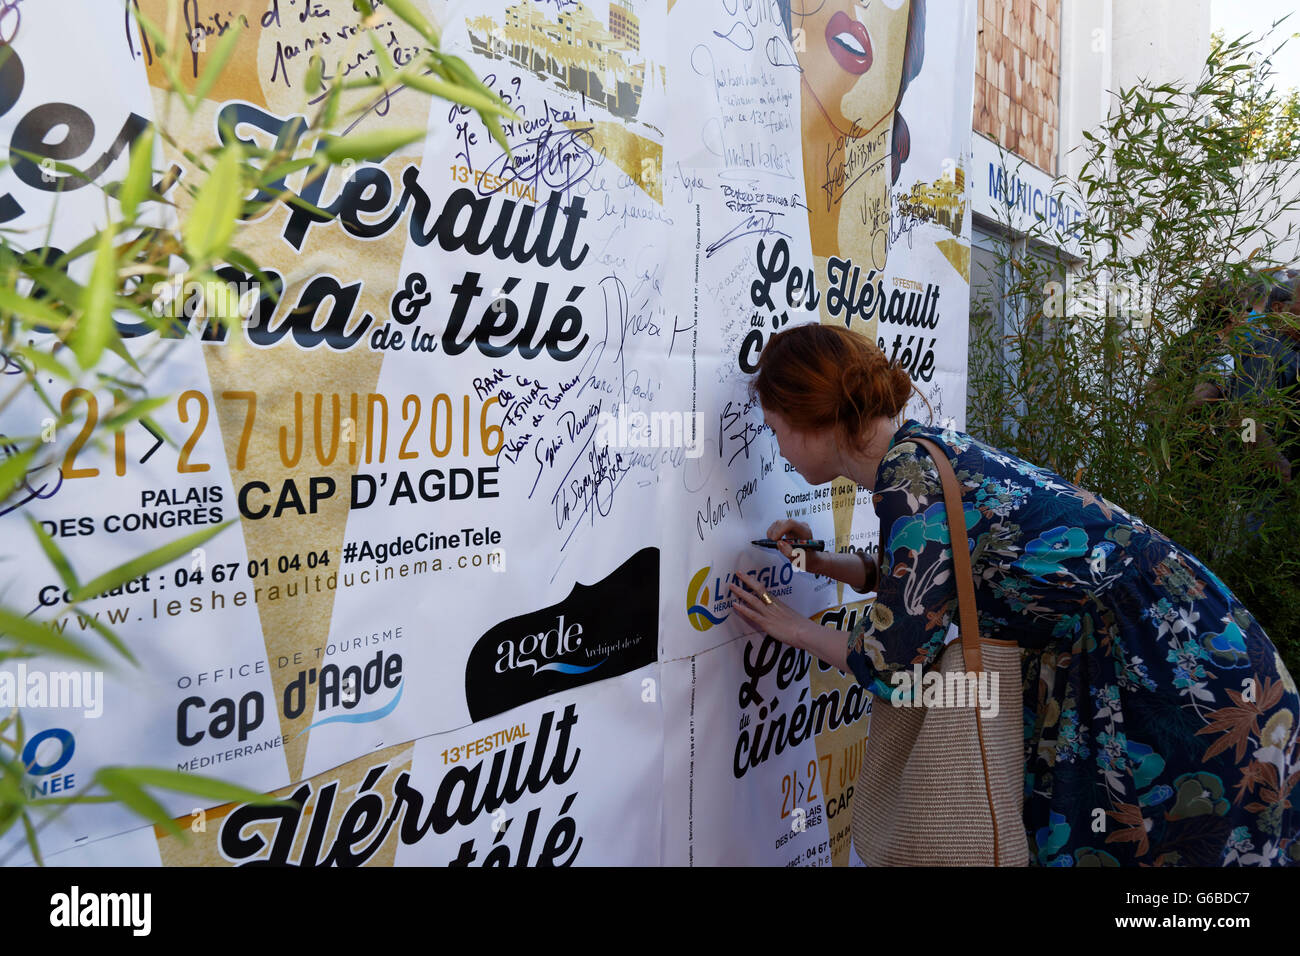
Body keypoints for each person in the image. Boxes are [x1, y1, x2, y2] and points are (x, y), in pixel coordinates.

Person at [728, 322, 1300, 866]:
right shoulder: (918, 453)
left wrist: (793, 628)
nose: (778, 450)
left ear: (812, 416)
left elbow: (893, 661)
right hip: (1182, 645)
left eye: (777, 429)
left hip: (1172, 675)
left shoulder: (910, 478)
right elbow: (932, 578)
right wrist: (821, 563)